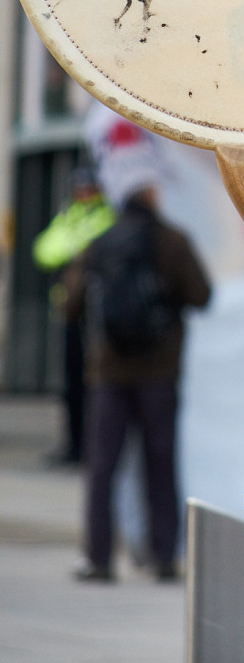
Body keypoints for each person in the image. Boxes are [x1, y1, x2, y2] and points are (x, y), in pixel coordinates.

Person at [66, 180, 211, 581]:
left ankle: (97, 558)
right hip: (159, 372)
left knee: (102, 466)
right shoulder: (174, 240)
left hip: (108, 373)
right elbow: (202, 295)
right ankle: (163, 556)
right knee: (159, 462)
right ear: (153, 199)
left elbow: (70, 304)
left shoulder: (100, 241)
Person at [32, 165, 115, 465]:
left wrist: (70, 245)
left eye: (88, 187)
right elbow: (43, 251)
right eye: (79, 188)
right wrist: (72, 245)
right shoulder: (70, 216)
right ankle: (73, 444)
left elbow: (90, 245)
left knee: (91, 384)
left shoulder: (104, 214)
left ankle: (89, 446)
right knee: (70, 383)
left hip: (94, 317)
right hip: (70, 312)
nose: (83, 193)